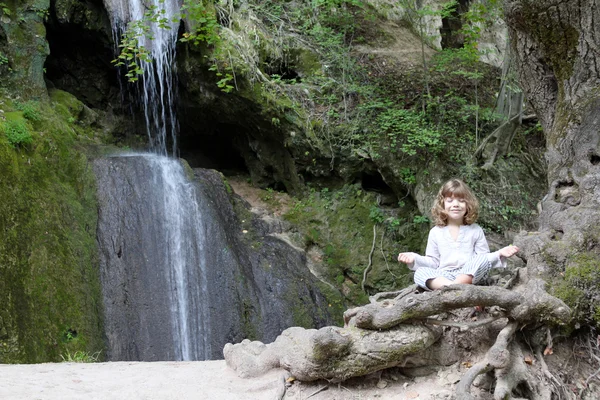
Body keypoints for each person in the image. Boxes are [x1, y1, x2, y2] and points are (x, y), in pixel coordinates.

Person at [397, 179, 519, 290]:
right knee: (420, 273)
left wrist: (499, 253)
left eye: (461, 201)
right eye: (450, 200)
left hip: (470, 275)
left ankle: (455, 289)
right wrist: (414, 258)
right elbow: (433, 262)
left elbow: (483, 259)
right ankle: (454, 289)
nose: (455, 204)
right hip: (445, 276)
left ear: (468, 205)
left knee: (480, 260)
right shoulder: (435, 232)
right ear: (442, 204)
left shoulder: (475, 230)